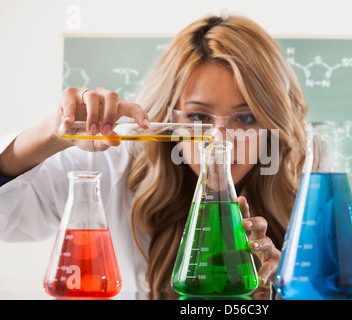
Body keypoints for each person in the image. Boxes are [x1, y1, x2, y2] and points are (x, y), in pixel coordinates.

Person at [0, 13, 307, 295]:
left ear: (272, 123)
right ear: (169, 116)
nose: (220, 140)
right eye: (199, 118)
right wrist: (53, 134)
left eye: (246, 118)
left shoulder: (307, 195)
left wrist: (283, 292)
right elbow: (7, 219)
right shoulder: (111, 164)